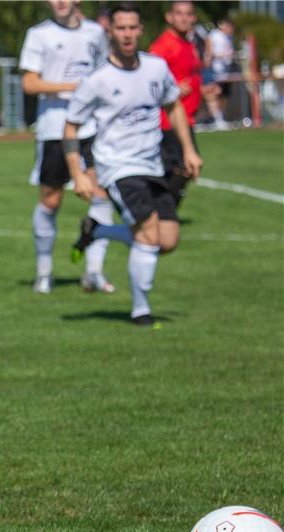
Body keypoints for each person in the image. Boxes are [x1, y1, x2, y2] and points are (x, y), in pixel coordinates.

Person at [65, 3, 202, 326]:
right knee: (149, 234)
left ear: (141, 31)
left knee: (167, 240)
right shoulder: (97, 79)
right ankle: (141, 310)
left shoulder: (156, 68)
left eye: (132, 28)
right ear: (110, 32)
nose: (127, 34)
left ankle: (98, 230)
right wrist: (77, 174)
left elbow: (174, 106)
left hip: (152, 164)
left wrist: (188, 150)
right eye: (120, 28)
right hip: (118, 168)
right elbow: (70, 127)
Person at [19, 0, 114, 294]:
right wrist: (76, 87)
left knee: (100, 195)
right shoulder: (39, 34)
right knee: (51, 200)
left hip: (91, 128)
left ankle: (94, 271)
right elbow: (30, 84)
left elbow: (106, 73)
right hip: (53, 128)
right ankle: (44, 272)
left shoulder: (96, 33)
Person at [148, 1, 202, 207]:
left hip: (186, 118)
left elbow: (187, 77)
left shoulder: (188, 43)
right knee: (183, 168)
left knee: (183, 169)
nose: (184, 18)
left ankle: (162, 212)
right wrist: (173, 90)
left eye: (188, 14)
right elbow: (147, 78)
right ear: (169, 17)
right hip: (168, 121)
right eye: (179, 14)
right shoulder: (164, 45)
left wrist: (203, 90)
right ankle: (161, 212)